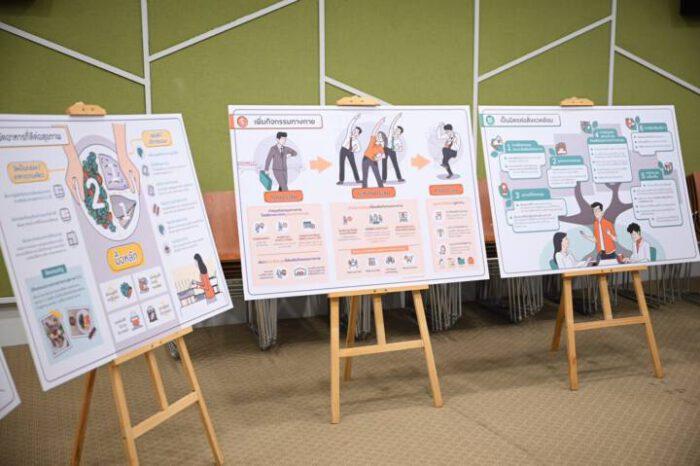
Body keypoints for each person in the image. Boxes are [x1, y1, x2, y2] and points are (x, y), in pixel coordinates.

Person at [338, 114, 362, 184]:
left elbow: (359, 148)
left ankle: (357, 180)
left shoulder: (356, 141)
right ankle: (341, 180)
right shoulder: (348, 135)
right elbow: (350, 126)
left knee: (353, 165)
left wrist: (355, 149)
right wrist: (355, 118)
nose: (354, 132)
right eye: (354, 130)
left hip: (350, 151)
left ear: (358, 134)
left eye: (356, 132)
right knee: (341, 164)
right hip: (343, 149)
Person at [362, 118, 386, 188]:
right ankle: (364, 188)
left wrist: (378, 157)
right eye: (378, 136)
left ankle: (381, 187)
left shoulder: (380, 147)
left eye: (380, 136)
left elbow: (383, 156)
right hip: (366, 159)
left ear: (382, 139)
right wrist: (380, 122)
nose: (378, 137)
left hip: (373, 161)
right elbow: (374, 130)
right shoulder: (373, 140)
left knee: (377, 174)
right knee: (365, 175)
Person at [382, 113, 405, 182]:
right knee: (384, 164)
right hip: (385, 149)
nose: (396, 130)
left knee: (395, 164)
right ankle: (384, 179)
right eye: (396, 129)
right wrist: (397, 117)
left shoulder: (398, 140)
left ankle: (399, 178)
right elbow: (392, 124)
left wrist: (396, 148)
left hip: (392, 150)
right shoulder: (391, 133)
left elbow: (401, 149)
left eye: (398, 131)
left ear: (400, 133)